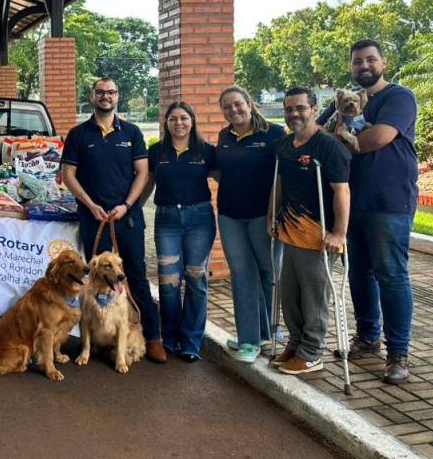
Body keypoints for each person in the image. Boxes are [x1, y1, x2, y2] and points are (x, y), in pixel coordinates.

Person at [318, 39, 418, 385]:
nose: (364, 66)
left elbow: (379, 137)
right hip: (350, 202)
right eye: (357, 61)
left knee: (391, 275)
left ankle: (398, 353)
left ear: (383, 62)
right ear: (351, 66)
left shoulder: (398, 97)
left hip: (388, 200)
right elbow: (317, 133)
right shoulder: (340, 102)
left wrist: (341, 143)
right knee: (359, 274)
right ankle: (367, 337)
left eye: (370, 60)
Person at [61, 77, 167, 363]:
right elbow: (68, 175)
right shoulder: (78, 134)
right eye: (100, 92)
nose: (105, 97)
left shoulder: (131, 132)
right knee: (95, 278)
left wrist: (126, 205)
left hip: (126, 219)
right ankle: (94, 337)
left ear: (118, 96)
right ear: (92, 96)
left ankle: (153, 337)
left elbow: (142, 173)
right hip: (93, 219)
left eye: (111, 92)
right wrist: (90, 204)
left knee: (136, 276)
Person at [271, 87, 350, 376]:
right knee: (290, 295)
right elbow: (279, 184)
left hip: (318, 236)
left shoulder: (328, 147)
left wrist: (339, 233)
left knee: (314, 297)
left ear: (314, 110)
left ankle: (312, 351)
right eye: (289, 109)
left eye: (300, 108)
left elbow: (341, 191)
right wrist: (272, 215)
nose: (294, 114)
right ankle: (295, 344)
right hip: (290, 233)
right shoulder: (284, 145)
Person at [140, 101, 217, 362]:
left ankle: (192, 341)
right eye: (173, 119)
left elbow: (228, 179)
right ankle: (170, 338)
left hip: (200, 219)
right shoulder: (156, 151)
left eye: (184, 118)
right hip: (167, 220)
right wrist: (133, 210)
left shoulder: (206, 151)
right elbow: (147, 184)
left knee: (196, 279)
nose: (179, 123)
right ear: (166, 123)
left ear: (192, 121)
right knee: (168, 281)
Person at [215, 86, 287, 364]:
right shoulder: (225, 136)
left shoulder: (274, 133)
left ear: (249, 103)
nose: (233, 110)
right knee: (243, 274)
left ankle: (267, 331)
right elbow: (222, 171)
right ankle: (249, 339)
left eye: (237, 104)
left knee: (268, 272)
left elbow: (284, 174)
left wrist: (276, 212)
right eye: (227, 106)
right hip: (230, 215)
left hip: (263, 216)